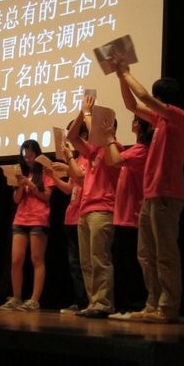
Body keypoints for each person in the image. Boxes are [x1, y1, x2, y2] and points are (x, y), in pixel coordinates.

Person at [112, 62, 184, 324]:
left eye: (157, 98)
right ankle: (153, 304)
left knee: (165, 253)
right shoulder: (159, 122)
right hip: (151, 195)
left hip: (167, 194)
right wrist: (120, 78)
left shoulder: (180, 117)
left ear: (163, 99)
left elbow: (143, 97)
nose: (152, 103)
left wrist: (126, 72)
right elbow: (132, 105)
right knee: (145, 253)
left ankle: (168, 307)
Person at [66, 93, 122, 318]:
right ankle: (93, 302)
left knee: (99, 258)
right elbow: (71, 136)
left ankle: (104, 303)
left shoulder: (114, 146)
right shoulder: (92, 151)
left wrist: (90, 114)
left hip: (103, 209)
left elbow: (100, 137)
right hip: (85, 209)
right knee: (87, 261)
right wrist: (82, 113)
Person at [103, 116, 153, 319]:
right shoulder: (135, 150)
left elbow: (114, 160)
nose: (133, 123)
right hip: (123, 215)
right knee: (123, 263)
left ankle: (134, 306)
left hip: (132, 216)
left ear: (139, 126)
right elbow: (112, 160)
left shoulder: (142, 149)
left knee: (131, 264)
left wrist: (109, 139)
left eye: (136, 121)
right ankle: (125, 306)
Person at [0, 139, 54, 312]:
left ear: (37, 155)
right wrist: (20, 185)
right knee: (16, 260)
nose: (28, 160)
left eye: (31, 156)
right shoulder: (21, 173)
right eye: (25, 157)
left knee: (37, 259)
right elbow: (16, 200)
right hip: (20, 219)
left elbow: (46, 196)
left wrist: (30, 184)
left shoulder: (45, 172)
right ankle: (16, 297)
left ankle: (34, 300)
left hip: (38, 218)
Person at [50, 125, 88, 314]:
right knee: (74, 264)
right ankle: (80, 301)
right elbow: (69, 189)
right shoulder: (78, 159)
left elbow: (83, 180)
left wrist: (68, 166)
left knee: (86, 262)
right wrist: (53, 176)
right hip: (71, 217)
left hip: (83, 215)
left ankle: (89, 301)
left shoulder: (88, 157)